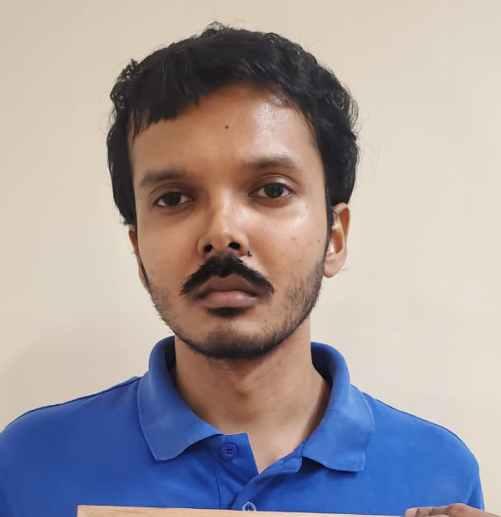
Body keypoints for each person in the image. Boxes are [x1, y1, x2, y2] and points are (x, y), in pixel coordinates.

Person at [0, 22, 495, 517]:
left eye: (272, 190)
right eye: (173, 198)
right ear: (138, 249)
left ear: (334, 237)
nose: (222, 232)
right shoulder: (28, 463)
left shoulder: (438, 472)